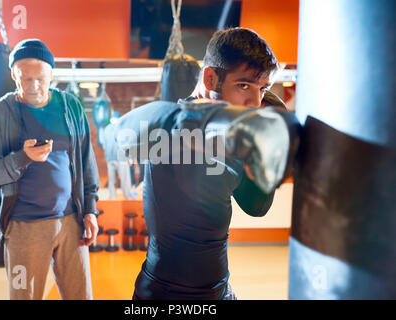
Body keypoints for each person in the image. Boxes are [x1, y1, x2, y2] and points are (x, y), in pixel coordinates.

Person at [112, 27, 290, 300]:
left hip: (219, 290)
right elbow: (120, 132)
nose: (254, 102)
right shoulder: (169, 132)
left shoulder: (234, 136)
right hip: (164, 294)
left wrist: (267, 157)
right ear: (210, 77)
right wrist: (195, 119)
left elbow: (256, 208)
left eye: (262, 89)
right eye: (243, 85)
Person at [0, 39, 100, 300]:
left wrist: (90, 210)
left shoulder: (70, 107)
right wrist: (22, 158)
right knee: (24, 297)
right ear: (13, 75)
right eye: (26, 79)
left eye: (40, 79)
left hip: (71, 224)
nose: (34, 86)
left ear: (51, 74)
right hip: (24, 228)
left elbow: (86, 161)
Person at [101, 123, 135, 200]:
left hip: (110, 159)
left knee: (112, 181)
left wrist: (107, 158)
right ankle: (128, 198)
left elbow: (104, 145)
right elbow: (126, 144)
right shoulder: (122, 128)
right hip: (121, 158)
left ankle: (113, 198)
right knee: (125, 180)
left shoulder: (106, 129)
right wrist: (130, 157)